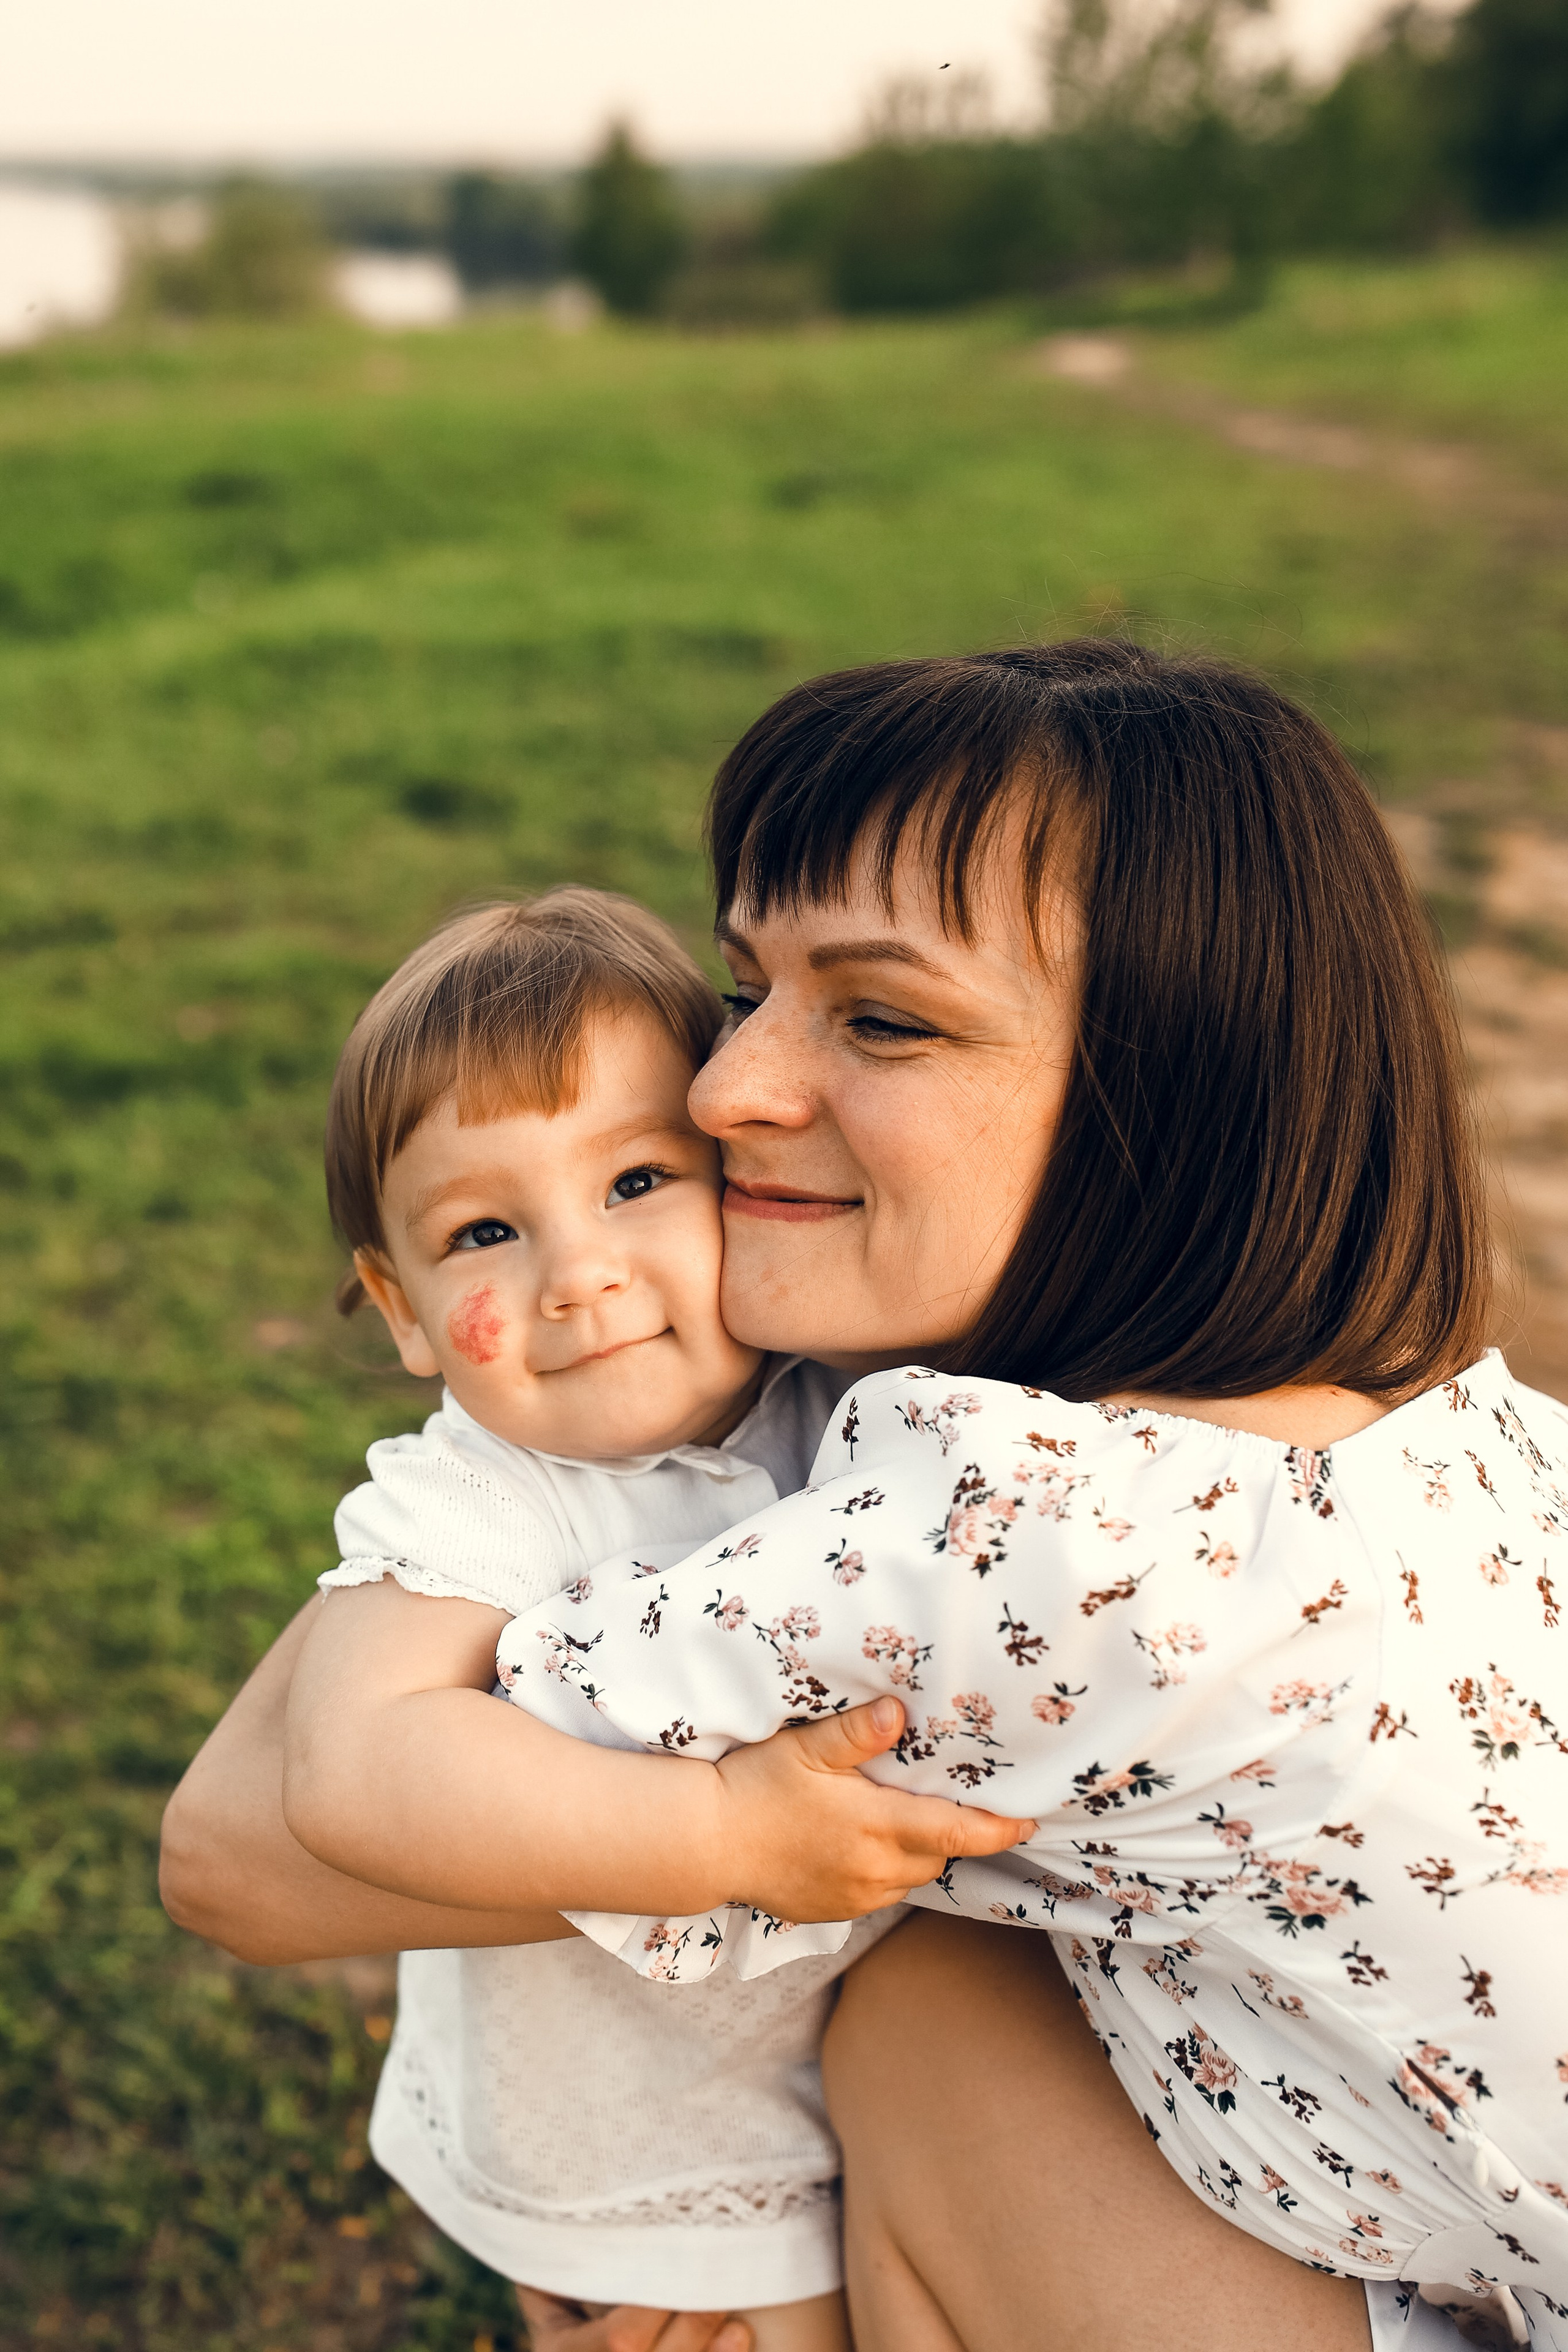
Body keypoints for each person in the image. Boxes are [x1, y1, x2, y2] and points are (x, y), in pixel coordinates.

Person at [165, 640, 1568, 2352]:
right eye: (746, 984)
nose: (722, 1088)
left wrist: (493, 1468)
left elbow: (246, 1852)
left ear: (1175, 1101)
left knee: (923, 2009)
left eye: (882, 1016)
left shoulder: (1024, 1545)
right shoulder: (1474, 1419)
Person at [270, 886, 1031, 2344]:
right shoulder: (488, 1496)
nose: (579, 1275)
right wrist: (727, 1839)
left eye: (635, 1183)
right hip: (653, 2162)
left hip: (868, 2071)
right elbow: (350, 1763)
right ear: (402, 1308)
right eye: (486, 1229)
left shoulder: (841, 1388)